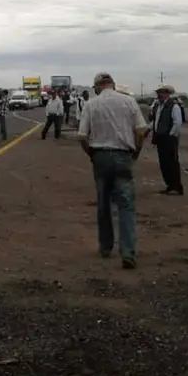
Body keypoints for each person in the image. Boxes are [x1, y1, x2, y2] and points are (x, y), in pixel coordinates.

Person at [78, 72, 147, 269]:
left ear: (97, 87)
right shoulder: (129, 102)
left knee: (103, 203)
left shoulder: (91, 104)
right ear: (113, 85)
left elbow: (82, 136)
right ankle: (128, 252)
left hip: (100, 155)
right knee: (126, 204)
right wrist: (136, 152)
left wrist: (91, 154)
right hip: (123, 155)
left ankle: (106, 246)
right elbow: (141, 131)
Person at [151, 85, 184, 195]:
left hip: (169, 138)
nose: (159, 95)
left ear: (167, 93)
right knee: (164, 163)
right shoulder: (158, 106)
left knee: (172, 162)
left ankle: (176, 186)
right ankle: (170, 185)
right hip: (160, 137)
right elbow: (156, 121)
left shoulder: (174, 106)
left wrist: (171, 135)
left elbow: (177, 123)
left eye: (161, 92)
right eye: (158, 92)